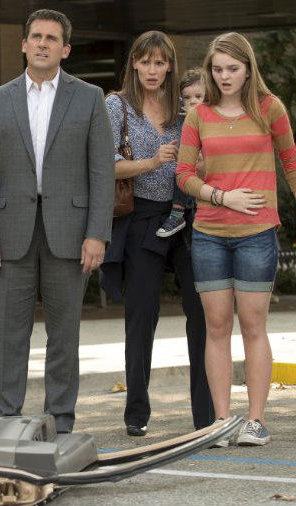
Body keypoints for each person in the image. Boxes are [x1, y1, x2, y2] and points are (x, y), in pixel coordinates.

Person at [0, 9, 115, 433]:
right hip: (8, 234)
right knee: (7, 337)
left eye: (52, 38)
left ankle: (60, 423)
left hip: (70, 235)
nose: (42, 43)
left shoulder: (89, 97)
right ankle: (5, 421)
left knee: (64, 337)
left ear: (65, 49)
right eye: (35, 36)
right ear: (23, 44)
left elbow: (101, 172)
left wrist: (96, 234)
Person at [175, 32, 296, 447]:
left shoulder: (269, 108)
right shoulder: (198, 115)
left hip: (257, 233)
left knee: (254, 326)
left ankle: (256, 421)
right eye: (217, 69)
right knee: (216, 327)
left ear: (248, 68)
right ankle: (222, 420)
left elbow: (292, 166)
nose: (224, 77)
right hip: (209, 234)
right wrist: (222, 196)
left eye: (232, 69)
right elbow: (183, 176)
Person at [100, 32, 214, 438]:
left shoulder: (187, 106)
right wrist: (150, 162)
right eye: (144, 62)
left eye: (159, 63)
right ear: (134, 63)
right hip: (142, 218)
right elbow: (105, 164)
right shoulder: (117, 106)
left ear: (170, 66)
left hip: (189, 215)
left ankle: (206, 414)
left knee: (201, 313)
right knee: (141, 314)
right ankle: (136, 412)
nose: (152, 70)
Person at [157, 68, 205, 238]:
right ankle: (177, 214)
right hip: (190, 181)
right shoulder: (183, 120)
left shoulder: (214, 118)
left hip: (210, 181)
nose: (192, 101)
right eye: (187, 98)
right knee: (180, 170)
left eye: (198, 97)